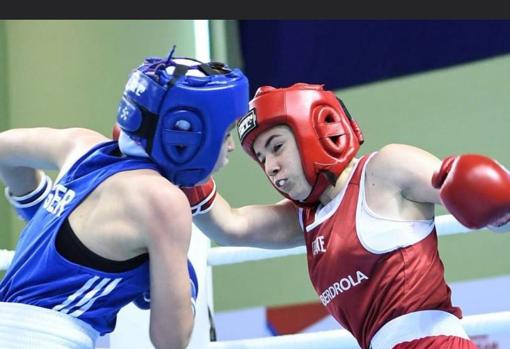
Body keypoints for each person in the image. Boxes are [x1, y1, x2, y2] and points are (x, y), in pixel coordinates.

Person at [182, 83, 510, 349]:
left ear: (317, 129)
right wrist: (180, 165)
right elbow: (230, 225)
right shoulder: (305, 218)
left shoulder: (385, 170)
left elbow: (477, 194)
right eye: (262, 158)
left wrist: (497, 206)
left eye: (277, 147)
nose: (270, 166)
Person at [0, 46, 248, 349]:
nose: (231, 147)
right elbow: (171, 340)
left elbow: (4, 149)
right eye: (225, 135)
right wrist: (186, 289)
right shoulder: (163, 200)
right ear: (188, 137)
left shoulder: (81, 146)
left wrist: (39, 206)